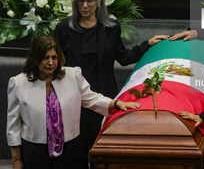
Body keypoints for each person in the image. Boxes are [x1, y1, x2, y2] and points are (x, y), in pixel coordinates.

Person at [54, 0, 169, 168]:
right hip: (72, 97)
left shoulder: (111, 27)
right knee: (75, 151)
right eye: (80, 1)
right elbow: (55, 61)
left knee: (101, 150)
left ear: (99, 2)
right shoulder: (64, 28)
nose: (84, 5)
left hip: (104, 95)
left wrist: (146, 44)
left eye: (90, 1)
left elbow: (123, 57)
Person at [7, 35, 141, 169]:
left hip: (70, 149)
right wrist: (16, 159)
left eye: (54, 57)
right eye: (45, 58)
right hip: (35, 151)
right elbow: (13, 125)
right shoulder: (19, 83)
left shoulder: (73, 76)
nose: (50, 63)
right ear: (35, 59)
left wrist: (116, 103)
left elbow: (92, 98)